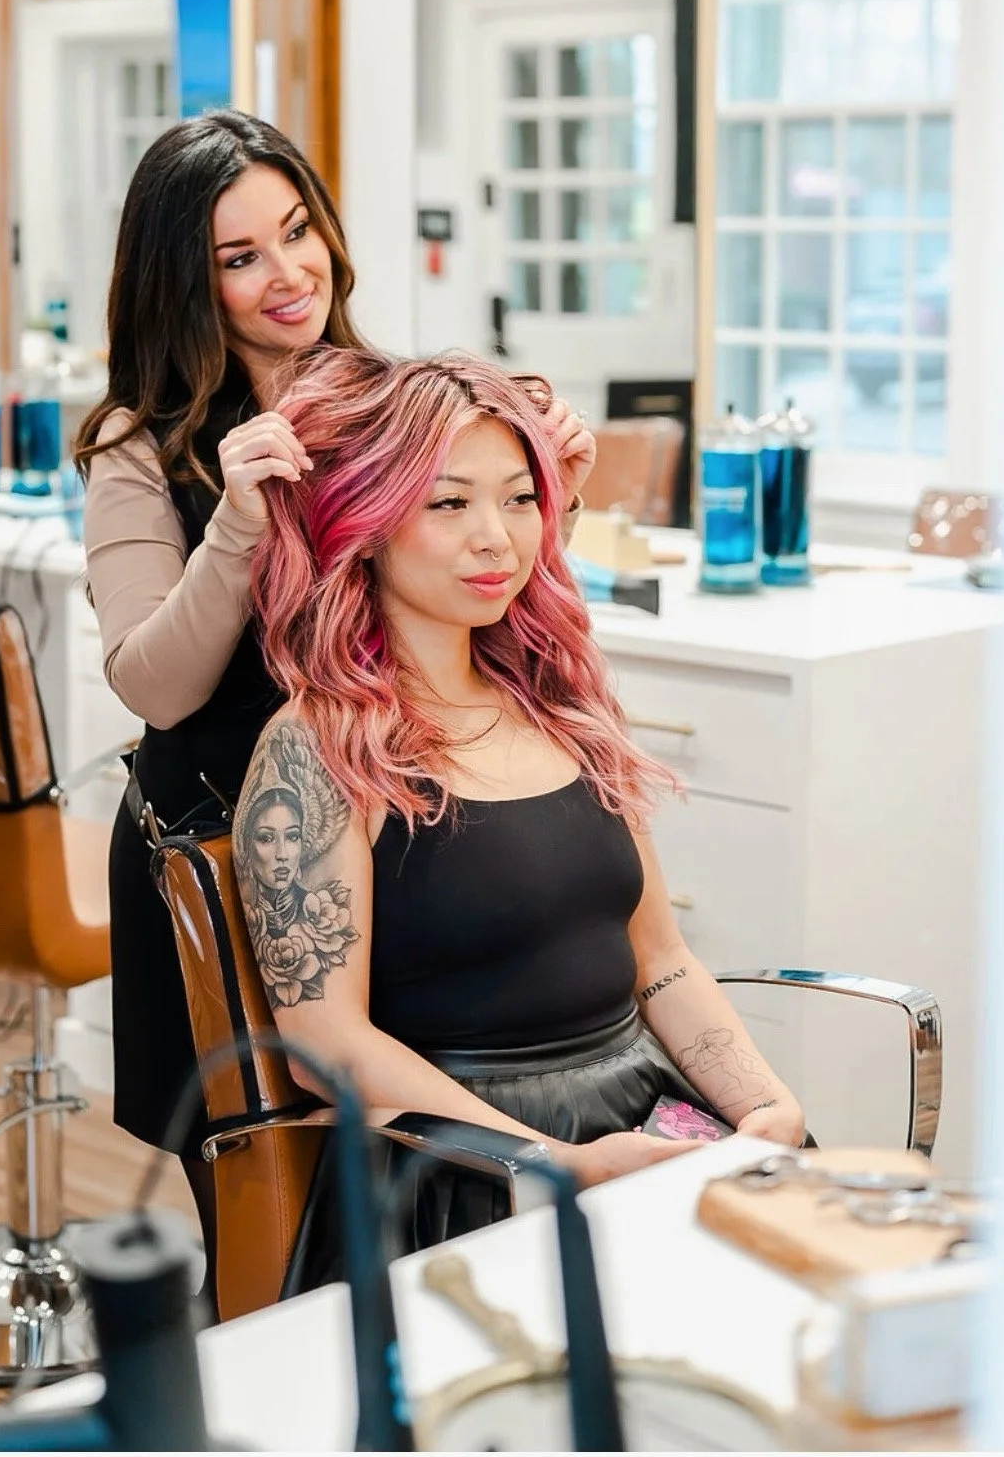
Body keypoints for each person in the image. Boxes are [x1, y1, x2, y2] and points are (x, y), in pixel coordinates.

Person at [76, 112, 597, 1202]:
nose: (288, 272)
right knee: (271, 1202)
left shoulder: (386, 405)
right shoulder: (141, 444)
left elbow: (465, 618)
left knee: (440, 1177)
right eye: (239, 256)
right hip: (219, 857)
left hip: (391, 859)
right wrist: (238, 522)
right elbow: (153, 684)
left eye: (298, 231)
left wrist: (549, 498)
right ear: (183, 280)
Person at [230, 346, 805, 1271]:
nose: (496, 537)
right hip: (464, 1165)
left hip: (646, 1126)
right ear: (368, 524)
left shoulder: (560, 704)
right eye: (449, 503)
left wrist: (762, 1105)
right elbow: (322, 1044)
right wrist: (557, 1165)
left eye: (521, 498)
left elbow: (659, 961)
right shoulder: (320, 744)